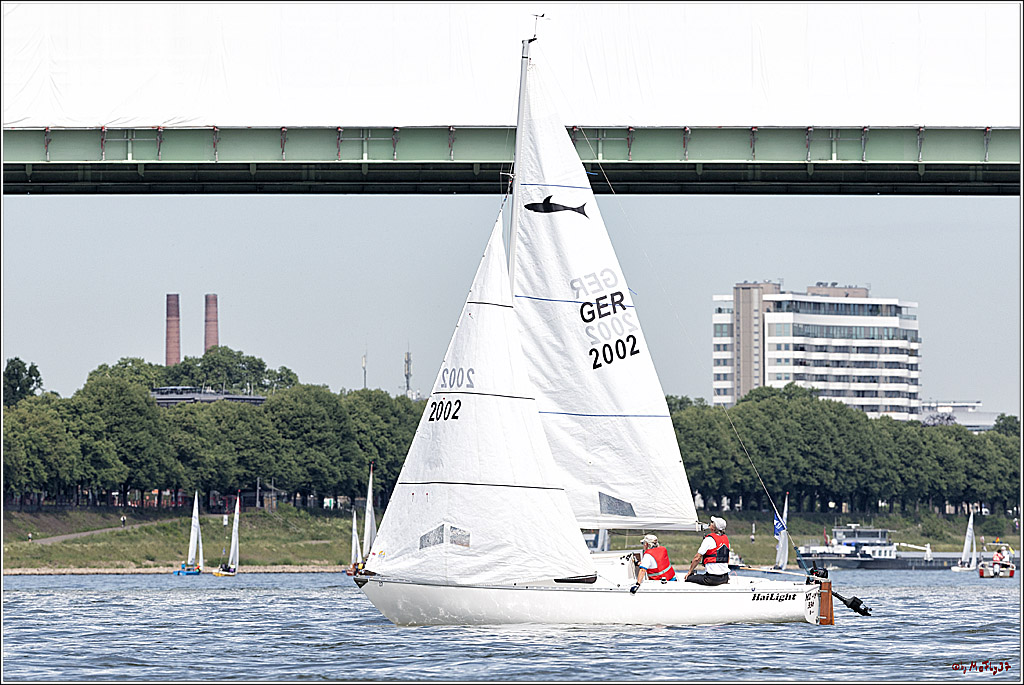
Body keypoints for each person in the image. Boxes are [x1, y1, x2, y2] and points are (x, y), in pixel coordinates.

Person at [685, 516, 731, 586]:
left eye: (712, 523)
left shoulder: (709, 539)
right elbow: (727, 558)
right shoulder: (726, 540)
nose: (710, 524)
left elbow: (697, 558)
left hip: (712, 579)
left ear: (714, 527)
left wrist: (689, 572)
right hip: (725, 577)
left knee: (689, 578)